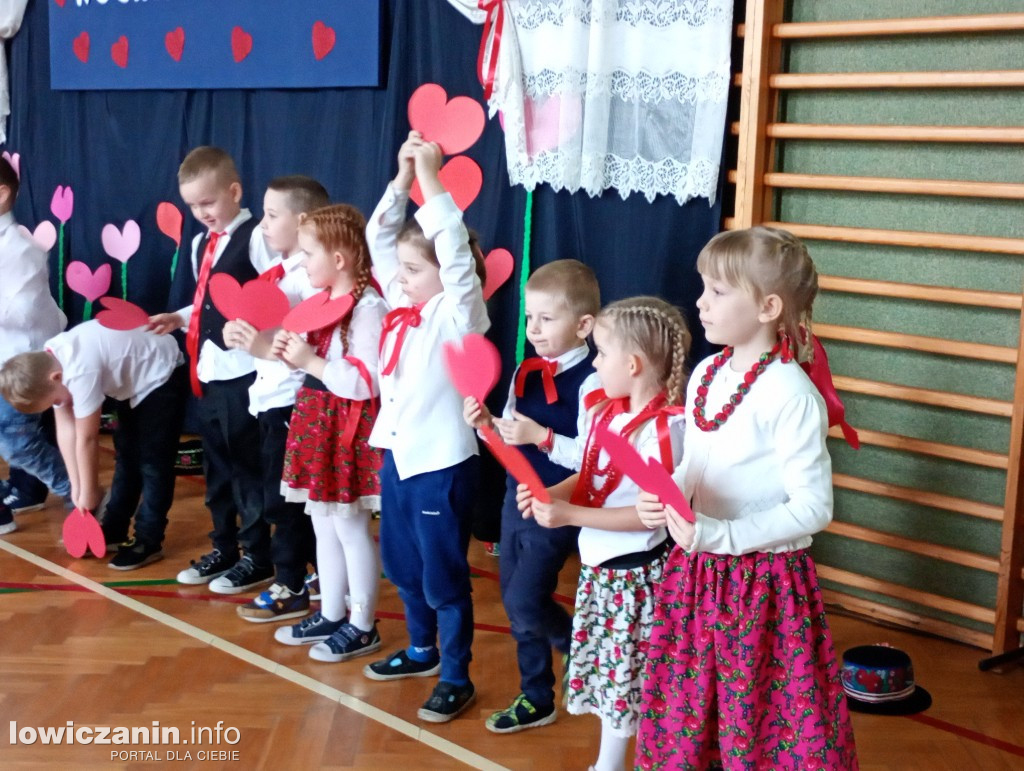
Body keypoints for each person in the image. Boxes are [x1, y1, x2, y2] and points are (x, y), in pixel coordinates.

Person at [633, 227, 858, 770]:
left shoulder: (791, 394)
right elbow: (697, 459)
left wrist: (723, 534)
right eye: (702, 287)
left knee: (758, 715)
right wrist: (668, 495)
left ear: (768, 307)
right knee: (691, 707)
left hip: (762, 588)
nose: (701, 302)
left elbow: (813, 508)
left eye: (717, 291)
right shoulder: (708, 373)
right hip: (697, 575)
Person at [517, 296, 689, 771]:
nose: (594, 363)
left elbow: (647, 516)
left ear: (631, 364)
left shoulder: (663, 432)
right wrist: (552, 492)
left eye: (601, 354)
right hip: (601, 576)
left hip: (632, 581)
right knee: (613, 683)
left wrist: (569, 515)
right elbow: (591, 472)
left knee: (626, 686)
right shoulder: (605, 412)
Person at [361, 131, 489, 723]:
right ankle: (420, 649)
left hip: (441, 467)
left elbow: (454, 257)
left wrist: (433, 183)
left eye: (415, 270)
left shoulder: (457, 313)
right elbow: (378, 237)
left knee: (443, 576)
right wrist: (402, 177)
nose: (402, 277)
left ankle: (457, 675)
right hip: (398, 463)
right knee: (402, 566)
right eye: (404, 270)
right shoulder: (406, 305)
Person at [463, 259, 601, 733]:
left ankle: (580, 650)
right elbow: (507, 438)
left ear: (584, 325)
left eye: (547, 318)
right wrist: (486, 427)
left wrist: (540, 436)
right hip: (514, 496)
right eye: (529, 317)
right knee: (513, 599)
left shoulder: (594, 381)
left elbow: (594, 457)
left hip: (558, 504)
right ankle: (536, 695)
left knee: (525, 600)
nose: (534, 329)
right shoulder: (524, 368)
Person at [148, 146, 276, 589]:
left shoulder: (257, 238)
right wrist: (179, 317)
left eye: (208, 202)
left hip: (244, 374)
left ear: (235, 192)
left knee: (247, 470)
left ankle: (258, 556)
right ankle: (225, 546)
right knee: (216, 469)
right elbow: (206, 301)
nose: (201, 213)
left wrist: (260, 337)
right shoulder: (202, 242)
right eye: (192, 206)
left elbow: (278, 299)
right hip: (208, 373)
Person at [271, 203, 388, 662]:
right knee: (322, 525)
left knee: (350, 527)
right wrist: (286, 352)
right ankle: (333, 611)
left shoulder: (369, 307)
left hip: (345, 430)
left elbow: (365, 381)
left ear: (338, 259)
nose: (302, 263)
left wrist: (311, 362)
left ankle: (362, 625)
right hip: (316, 421)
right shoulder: (320, 303)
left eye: (308, 254)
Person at [0, 321, 186, 569]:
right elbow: (66, 431)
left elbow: (87, 439)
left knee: (153, 463)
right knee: (127, 457)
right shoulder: (50, 360)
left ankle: (148, 540)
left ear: (56, 379)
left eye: (54, 399)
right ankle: (115, 528)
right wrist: (75, 488)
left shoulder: (78, 372)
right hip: (132, 381)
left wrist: (89, 492)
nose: (58, 403)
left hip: (161, 372)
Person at [223, 176, 329, 612]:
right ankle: (313, 573)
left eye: (272, 215)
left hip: (293, 402)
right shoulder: (283, 272)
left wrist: (258, 345)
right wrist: (240, 333)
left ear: (302, 221)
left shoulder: (310, 278)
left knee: (285, 500)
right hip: (270, 399)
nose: (263, 223)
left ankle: (291, 583)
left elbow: (305, 350)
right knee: (284, 496)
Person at [0, 155, 70, 534]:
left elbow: (23, 312)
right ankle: (16, 497)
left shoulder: (21, 250)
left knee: (18, 442)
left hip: (20, 362)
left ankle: (79, 495)